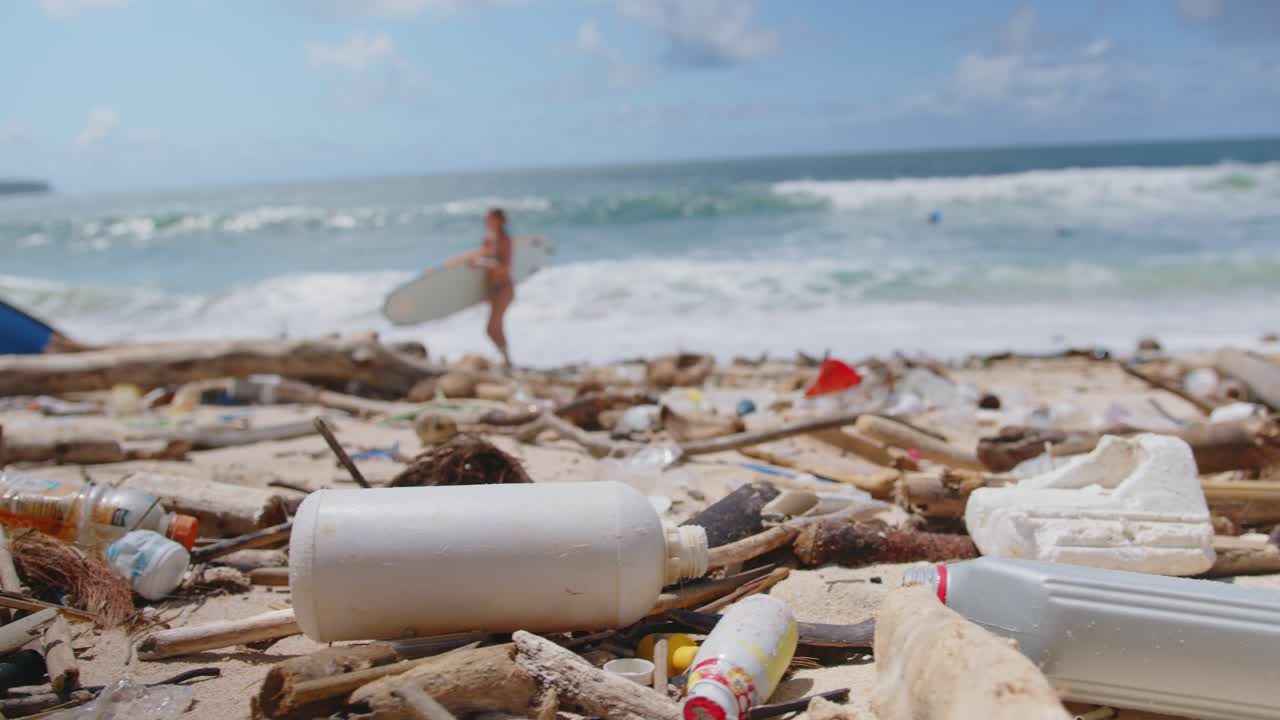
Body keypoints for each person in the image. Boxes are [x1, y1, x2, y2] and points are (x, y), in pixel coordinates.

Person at [475, 208, 514, 366]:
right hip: (493, 290)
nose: (485, 220)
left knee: (492, 328)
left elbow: (505, 268)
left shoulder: (505, 240)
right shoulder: (489, 240)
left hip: (503, 289)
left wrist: (483, 263)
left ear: (498, 220)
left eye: (489, 218)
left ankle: (507, 360)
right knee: (494, 328)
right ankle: (505, 360)